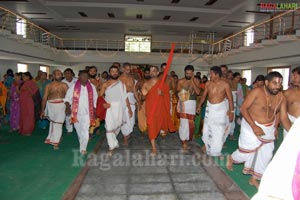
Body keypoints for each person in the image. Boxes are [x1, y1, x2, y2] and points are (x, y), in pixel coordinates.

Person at [226, 71, 291, 188]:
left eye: (280, 84)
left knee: (266, 155)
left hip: (269, 128)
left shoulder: (281, 97)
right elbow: (244, 109)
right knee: (245, 153)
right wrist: (254, 126)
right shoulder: (257, 92)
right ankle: (232, 157)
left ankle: (254, 178)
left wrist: (292, 133)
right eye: (274, 83)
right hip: (250, 125)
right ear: (266, 82)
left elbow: (284, 117)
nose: (277, 86)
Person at [251, 116, 300, 200]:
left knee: (267, 154)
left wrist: (275, 127)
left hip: (270, 127)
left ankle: (255, 176)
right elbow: (283, 117)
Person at [197, 66, 234, 157]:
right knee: (206, 129)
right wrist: (199, 105)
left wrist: (231, 112)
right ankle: (206, 144)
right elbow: (204, 96)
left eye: (211, 74)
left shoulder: (225, 84)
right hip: (210, 108)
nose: (210, 75)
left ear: (217, 74)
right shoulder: (208, 83)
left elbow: (230, 99)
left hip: (220, 109)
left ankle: (216, 150)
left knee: (218, 130)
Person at [142, 65, 175, 155]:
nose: (152, 72)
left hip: (160, 109)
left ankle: (162, 132)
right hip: (151, 109)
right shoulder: (146, 83)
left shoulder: (163, 84)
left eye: (154, 71)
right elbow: (143, 97)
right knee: (151, 128)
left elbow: (168, 96)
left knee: (161, 125)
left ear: (157, 73)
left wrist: (162, 94)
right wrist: (144, 92)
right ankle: (154, 148)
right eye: (151, 71)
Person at [98, 65, 132, 156]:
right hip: (109, 108)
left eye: (116, 71)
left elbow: (125, 98)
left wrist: (129, 109)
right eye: (112, 71)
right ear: (110, 72)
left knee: (117, 127)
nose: (114, 73)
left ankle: (114, 142)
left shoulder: (121, 84)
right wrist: (103, 104)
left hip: (120, 107)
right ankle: (111, 146)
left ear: (118, 73)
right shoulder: (105, 84)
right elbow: (100, 97)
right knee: (109, 127)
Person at [65, 70, 98, 154]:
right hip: (76, 113)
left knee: (85, 130)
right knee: (79, 130)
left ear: (88, 77)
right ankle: (82, 142)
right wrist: (67, 107)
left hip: (88, 113)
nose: (84, 78)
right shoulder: (73, 87)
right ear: (78, 77)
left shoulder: (92, 87)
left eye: (86, 76)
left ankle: (83, 148)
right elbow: (67, 98)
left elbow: (95, 99)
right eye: (82, 76)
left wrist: (95, 110)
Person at [41, 70, 68, 150]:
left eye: (60, 74)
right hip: (51, 106)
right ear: (53, 75)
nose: (59, 75)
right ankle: (52, 138)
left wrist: (68, 107)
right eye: (57, 74)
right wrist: (42, 109)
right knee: (53, 123)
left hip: (61, 106)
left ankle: (56, 142)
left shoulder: (64, 85)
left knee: (58, 123)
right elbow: (45, 98)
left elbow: (68, 97)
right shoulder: (48, 86)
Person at [177, 65, 200, 151]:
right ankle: (183, 141)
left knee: (190, 122)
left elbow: (197, 92)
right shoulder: (181, 81)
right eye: (187, 73)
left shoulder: (196, 80)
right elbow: (177, 91)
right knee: (183, 122)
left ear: (193, 73)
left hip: (192, 103)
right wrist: (183, 94)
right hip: (183, 102)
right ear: (185, 72)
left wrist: (192, 81)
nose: (188, 75)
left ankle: (187, 137)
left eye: (190, 73)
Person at [119, 62, 137, 145]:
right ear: (122, 69)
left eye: (129, 69)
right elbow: (121, 93)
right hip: (123, 100)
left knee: (132, 120)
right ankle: (125, 137)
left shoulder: (131, 78)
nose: (128, 71)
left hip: (132, 99)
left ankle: (127, 133)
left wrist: (139, 101)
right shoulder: (119, 79)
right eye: (126, 69)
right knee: (125, 119)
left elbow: (134, 90)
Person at [283, 66, 300, 138]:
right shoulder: (287, 93)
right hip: (290, 128)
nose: (292, 79)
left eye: (295, 76)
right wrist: (292, 132)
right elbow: (282, 115)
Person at [62, 68, 77, 134]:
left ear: (72, 74)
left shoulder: (76, 80)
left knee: (76, 114)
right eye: (66, 74)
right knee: (68, 115)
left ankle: (76, 127)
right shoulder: (62, 82)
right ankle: (69, 129)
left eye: (69, 73)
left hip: (76, 99)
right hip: (67, 100)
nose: (67, 75)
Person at [136, 67, 150, 133]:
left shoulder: (152, 82)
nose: (147, 74)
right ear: (143, 73)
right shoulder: (140, 82)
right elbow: (135, 91)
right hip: (142, 101)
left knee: (150, 115)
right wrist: (138, 100)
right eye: (146, 73)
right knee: (141, 115)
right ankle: (143, 128)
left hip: (151, 101)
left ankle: (150, 127)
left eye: (148, 73)